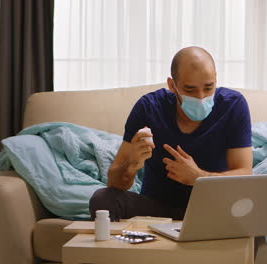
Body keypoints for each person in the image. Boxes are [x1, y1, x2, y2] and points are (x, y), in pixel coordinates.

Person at [89, 46, 252, 221]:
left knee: (255, 212)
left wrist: (199, 177)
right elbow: (114, 184)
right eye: (190, 90)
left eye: (208, 87)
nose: (201, 97)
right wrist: (131, 164)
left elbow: (244, 173)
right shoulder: (148, 108)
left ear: (216, 79)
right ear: (172, 85)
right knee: (103, 199)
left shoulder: (233, 105)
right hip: (156, 208)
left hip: (211, 207)